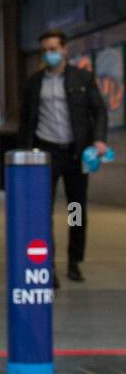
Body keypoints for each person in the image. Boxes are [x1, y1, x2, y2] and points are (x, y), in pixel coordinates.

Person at [18, 29, 109, 284]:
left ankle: (74, 262)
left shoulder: (82, 78)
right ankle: (47, 266)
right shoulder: (34, 83)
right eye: (45, 50)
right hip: (46, 153)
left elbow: (99, 110)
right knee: (42, 212)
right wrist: (24, 153)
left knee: (75, 209)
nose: (49, 54)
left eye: (53, 49)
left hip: (76, 153)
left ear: (64, 50)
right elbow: (26, 122)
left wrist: (99, 140)